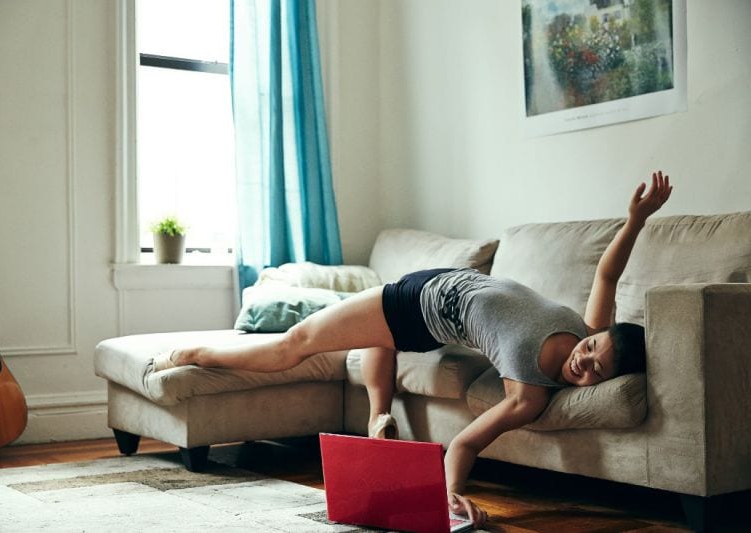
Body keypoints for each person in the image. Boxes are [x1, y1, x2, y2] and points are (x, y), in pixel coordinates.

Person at [155, 170, 673, 528]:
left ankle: (194, 354)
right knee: (372, 340)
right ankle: (380, 418)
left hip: (415, 305)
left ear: (598, 384)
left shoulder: (528, 396)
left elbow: (466, 444)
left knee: (295, 345)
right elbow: (608, 270)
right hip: (444, 291)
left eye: (591, 371)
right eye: (591, 348)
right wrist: (637, 218)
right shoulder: (589, 326)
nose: (583, 359)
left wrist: (449, 494)